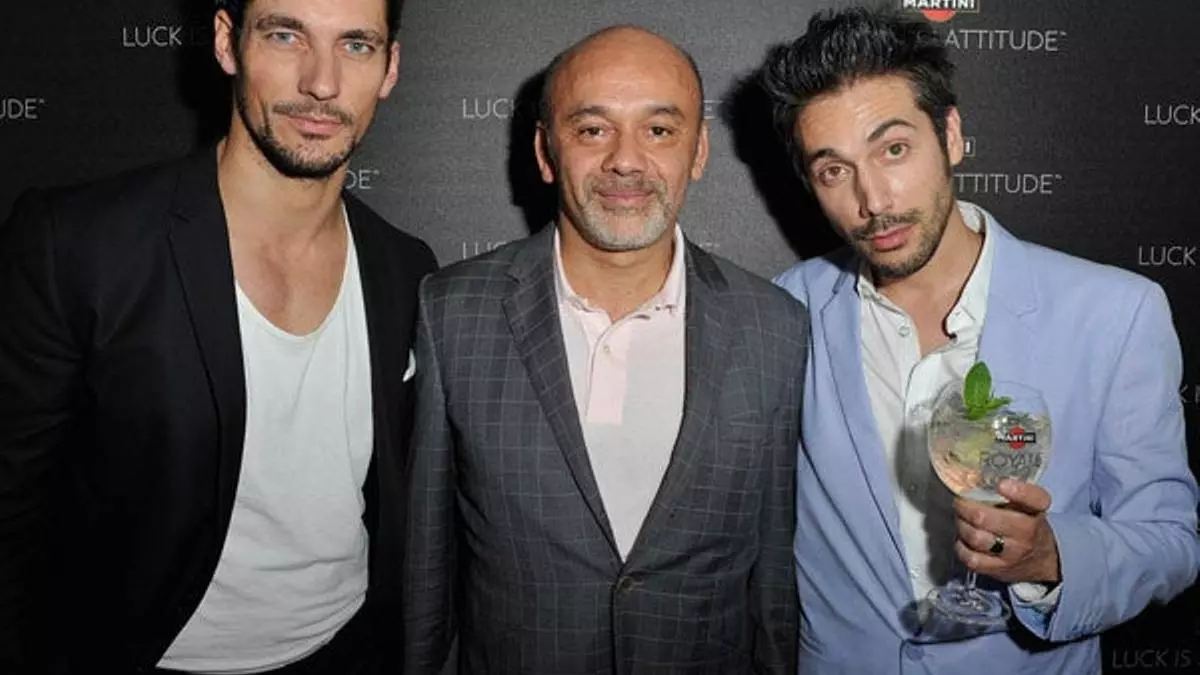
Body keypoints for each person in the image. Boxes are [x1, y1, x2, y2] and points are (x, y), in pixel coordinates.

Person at [0, 0, 435, 672]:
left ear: (391, 67)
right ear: (228, 43)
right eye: (286, 35)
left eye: (355, 45)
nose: (322, 82)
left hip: (353, 648)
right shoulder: (80, 245)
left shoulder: (405, 268)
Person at [765, 6, 1199, 674]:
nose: (872, 199)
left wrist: (1051, 557)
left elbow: (1169, 542)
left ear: (952, 135)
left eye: (894, 149)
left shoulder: (1115, 313)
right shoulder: (783, 310)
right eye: (834, 171)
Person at [402, 24, 806, 675]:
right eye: (593, 129)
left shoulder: (775, 327)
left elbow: (775, 579)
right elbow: (428, 562)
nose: (626, 160)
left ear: (698, 151)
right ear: (546, 151)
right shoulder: (453, 310)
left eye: (659, 130)